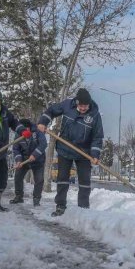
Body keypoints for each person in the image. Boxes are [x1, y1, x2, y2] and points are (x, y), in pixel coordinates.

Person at [37, 88, 103, 217]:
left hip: (84, 152)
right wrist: (43, 122)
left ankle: (83, 209)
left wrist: (95, 155)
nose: (83, 108)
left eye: (85, 106)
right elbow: (51, 111)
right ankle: (60, 206)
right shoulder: (67, 105)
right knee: (62, 178)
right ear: (76, 103)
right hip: (65, 148)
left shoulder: (95, 114)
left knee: (85, 181)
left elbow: (97, 137)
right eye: (81, 106)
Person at [10, 118, 47, 206]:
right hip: (24, 160)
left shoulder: (37, 132)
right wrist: (18, 160)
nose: (25, 131)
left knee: (39, 180)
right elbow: (16, 149)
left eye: (26, 129)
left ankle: (36, 199)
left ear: (30, 127)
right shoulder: (18, 134)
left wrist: (34, 154)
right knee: (18, 177)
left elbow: (43, 144)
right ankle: (19, 196)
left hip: (38, 160)